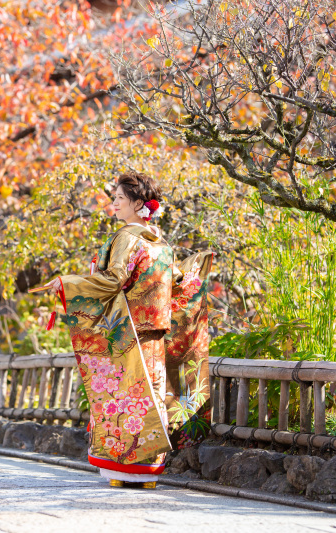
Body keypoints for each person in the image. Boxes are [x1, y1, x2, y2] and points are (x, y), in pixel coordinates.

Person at [43, 171, 214, 489]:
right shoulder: (160, 242)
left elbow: (113, 279)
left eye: (120, 198)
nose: (115, 203)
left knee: (125, 399)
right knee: (150, 397)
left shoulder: (127, 237)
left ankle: (122, 470)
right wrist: (200, 264)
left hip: (129, 333)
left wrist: (69, 283)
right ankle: (148, 470)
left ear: (138, 204)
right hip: (155, 337)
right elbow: (178, 282)